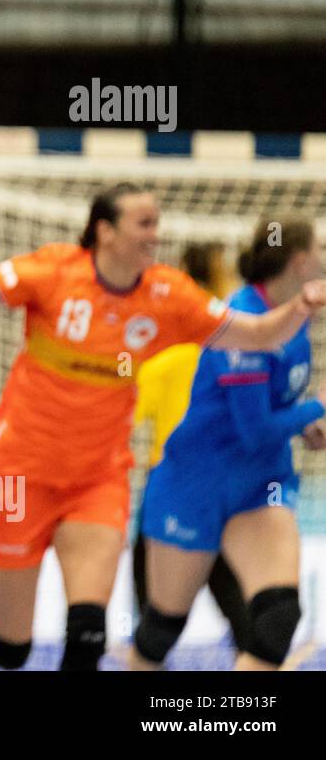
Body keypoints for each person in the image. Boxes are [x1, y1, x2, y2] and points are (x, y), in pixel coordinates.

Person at [0, 186, 326, 670]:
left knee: (89, 633)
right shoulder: (53, 273)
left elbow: (259, 333)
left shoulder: (167, 293)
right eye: (144, 223)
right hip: (20, 473)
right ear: (105, 231)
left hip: (98, 476)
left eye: (157, 223)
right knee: (11, 650)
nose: (155, 235)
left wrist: (302, 306)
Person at [131, 218, 325, 671]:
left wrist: (305, 425)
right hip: (196, 485)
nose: (322, 257)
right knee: (161, 629)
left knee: (277, 619)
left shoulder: (298, 319)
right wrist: (315, 410)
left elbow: (273, 413)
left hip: (259, 486)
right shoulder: (239, 318)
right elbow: (253, 428)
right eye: (319, 248)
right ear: (299, 261)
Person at [131, 241, 251, 658]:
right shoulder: (234, 357)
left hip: (169, 486)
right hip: (223, 484)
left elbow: (124, 417)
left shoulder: (164, 361)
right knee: (237, 602)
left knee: (152, 616)